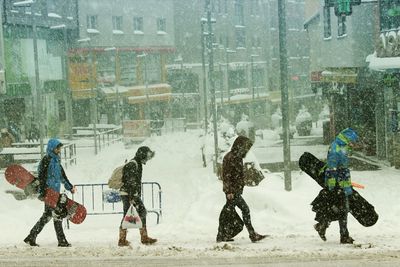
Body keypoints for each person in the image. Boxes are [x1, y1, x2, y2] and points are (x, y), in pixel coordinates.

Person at [23, 139, 76, 247]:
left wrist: (69, 187)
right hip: (49, 192)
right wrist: (43, 192)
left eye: (60, 148)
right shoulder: (46, 160)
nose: (59, 150)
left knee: (47, 216)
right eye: (57, 148)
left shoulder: (56, 161)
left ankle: (31, 236)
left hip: (54, 192)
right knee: (57, 214)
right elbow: (41, 177)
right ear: (52, 148)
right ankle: (61, 240)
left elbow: (62, 177)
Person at [312, 128, 359, 244]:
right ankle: (342, 235)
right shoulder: (336, 148)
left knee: (340, 209)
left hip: (342, 184)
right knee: (342, 210)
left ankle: (322, 225)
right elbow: (332, 169)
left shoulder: (342, 147)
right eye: (352, 141)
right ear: (347, 139)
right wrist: (333, 187)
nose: (353, 144)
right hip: (338, 186)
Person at [216, 136, 267, 243]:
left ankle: (222, 235)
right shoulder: (231, 157)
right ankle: (251, 235)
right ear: (240, 146)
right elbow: (227, 176)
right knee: (243, 210)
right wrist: (229, 191)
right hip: (233, 192)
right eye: (246, 148)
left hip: (235, 191)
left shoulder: (236, 157)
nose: (247, 151)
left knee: (227, 213)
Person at [118, 146, 157, 246]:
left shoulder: (137, 163)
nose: (148, 159)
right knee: (131, 214)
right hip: (128, 194)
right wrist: (132, 197)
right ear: (142, 154)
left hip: (130, 193)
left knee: (137, 213)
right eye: (147, 156)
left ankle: (140, 237)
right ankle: (125, 239)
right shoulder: (133, 164)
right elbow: (130, 182)